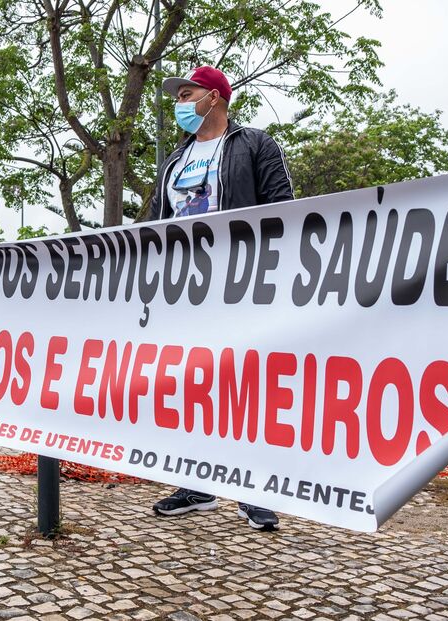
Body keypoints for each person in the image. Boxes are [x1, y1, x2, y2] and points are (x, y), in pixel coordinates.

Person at [145, 66, 294, 530]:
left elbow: (285, 210)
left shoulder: (255, 145)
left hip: (241, 287)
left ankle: (255, 490)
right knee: (192, 384)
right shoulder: (175, 160)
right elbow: (155, 223)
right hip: (185, 293)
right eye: (178, 96)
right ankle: (197, 484)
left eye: (186, 94)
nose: (179, 103)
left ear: (214, 97)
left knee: (246, 384)